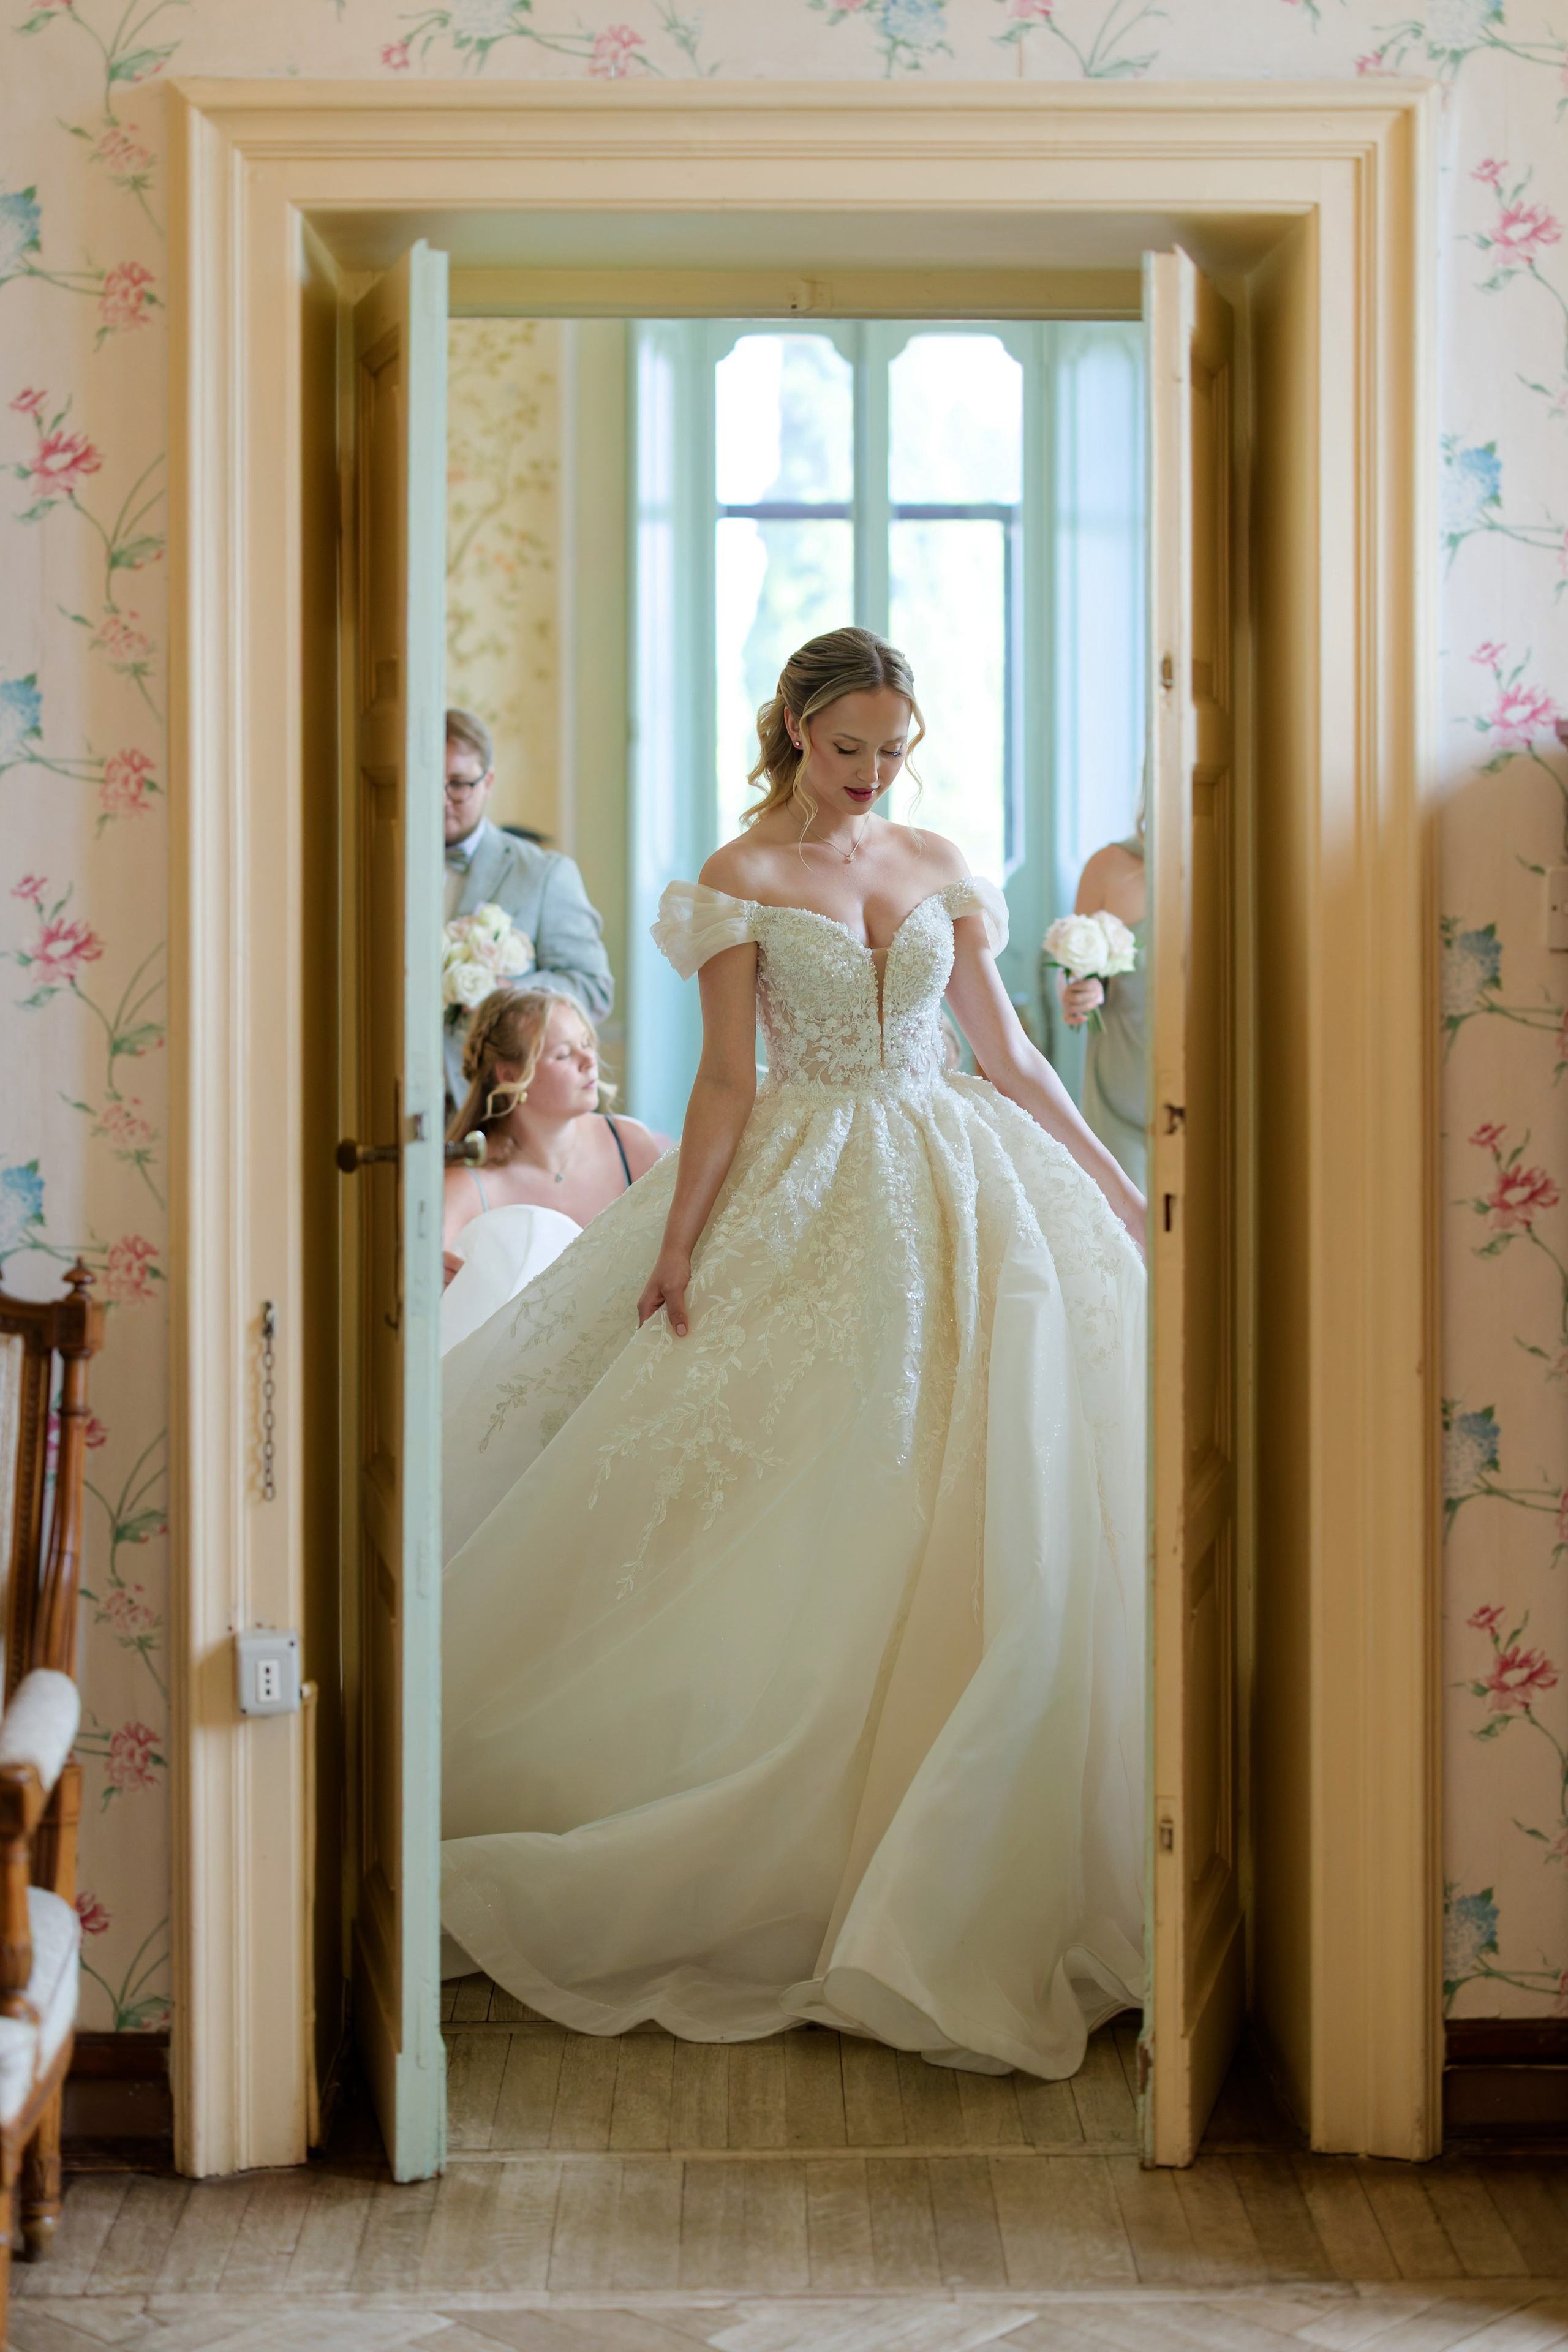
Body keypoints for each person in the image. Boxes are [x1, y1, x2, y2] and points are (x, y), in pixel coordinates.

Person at [441, 627, 1147, 2082]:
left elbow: (1009, 1061)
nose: (872, 777)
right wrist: (679, 1236)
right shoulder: (740, 878)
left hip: (960, 1180)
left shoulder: (937, 857)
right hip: (805, 1183)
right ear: (795, 730)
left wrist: (1122, 1193)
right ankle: (796, 1854)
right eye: (848, 750)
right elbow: (722, 1080)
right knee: (831, 1491)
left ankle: (955, 1848)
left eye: (894, 750)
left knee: (990, 1482)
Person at [440, 989, 668, 1354]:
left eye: (586, 1043)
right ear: (510, 1075)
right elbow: (422, 1275)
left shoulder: (630, 1143)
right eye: (564, 1054)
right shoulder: (471, 1184)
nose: (589, 1061)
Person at [443, 707, 614, 1105]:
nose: (442, 800)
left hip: (502, 1099)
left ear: (488, 782)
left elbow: (593, 988)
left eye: (458, 784)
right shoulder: (377, 870)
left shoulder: (545, 873)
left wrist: (507, 993)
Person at [1057, 828, 1148, 1194]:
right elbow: (1070, 969)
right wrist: (1077, 991)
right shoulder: (1108, 867)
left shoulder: (1226, 863)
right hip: (1118, 1096)